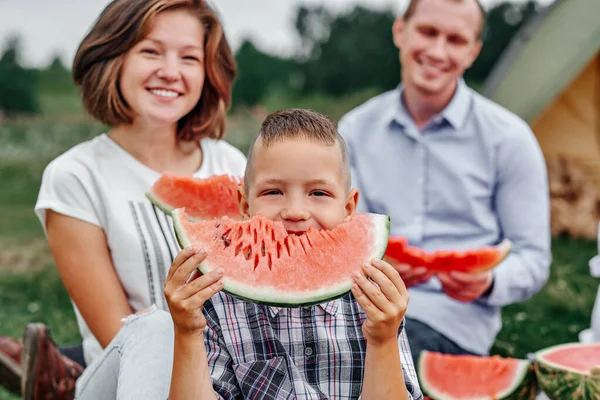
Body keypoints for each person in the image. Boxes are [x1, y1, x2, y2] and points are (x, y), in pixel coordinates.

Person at [70, 108, 423, 400]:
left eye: (318, 193)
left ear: (349, 208)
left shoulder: (376, 306)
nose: (296, 211)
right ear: (243, 204)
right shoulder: (216, 305)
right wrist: (188, 332)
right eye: (273, 192)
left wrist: (382, 339)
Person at [0, 0, 246, 398]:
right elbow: (119, 332)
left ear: (207, 72)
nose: (170, 71)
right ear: (112, 58)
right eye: (150, 51)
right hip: (123, 379)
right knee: (154, 328)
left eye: (189, 57)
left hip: (229, 374)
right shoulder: (76, 176)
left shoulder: (231, 163)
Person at [338, 0, 551, 365]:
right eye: (428, 32)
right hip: (358, 308)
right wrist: (373, 261)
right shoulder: (353, 132)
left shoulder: (510, 139)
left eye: (455, 39)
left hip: (453, 323)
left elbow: (533, 258)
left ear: (473, 52)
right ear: (399, 31)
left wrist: (489, 281)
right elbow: (343, 235)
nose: (438, 51)